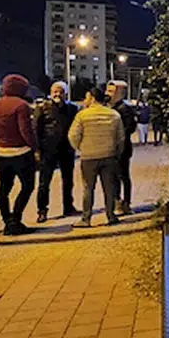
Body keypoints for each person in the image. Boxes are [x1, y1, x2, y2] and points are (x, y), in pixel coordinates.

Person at [0, 74, 39, 235]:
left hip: (2, 153)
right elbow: (25, 130)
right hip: (21, 152)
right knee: (27, 186)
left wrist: (0, 141)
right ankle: (16, 220)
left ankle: (7, 221)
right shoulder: (21, 105)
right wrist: (35, 147)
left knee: (4, 189)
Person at [68, 86, 126, 227]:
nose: (85, 100)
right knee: (109, 188)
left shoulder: (82, 115)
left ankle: (86, 218)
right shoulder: (114, 115)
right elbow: (121, 138)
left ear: (92, 98)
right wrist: (117, 151)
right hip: (109, 155)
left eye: (86, 97)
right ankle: (111, 216)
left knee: (88, 188)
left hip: (89, 157)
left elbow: (73, 135)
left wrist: (80, 148)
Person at [32, 81, 79, 223]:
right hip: (48, 150)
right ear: (50, 93)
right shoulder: (42, 108)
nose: (58, 94)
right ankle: (42, 210)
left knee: (68, 181)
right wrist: (37, 149)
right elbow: (35, 129)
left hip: (67, 149)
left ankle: (68, 207)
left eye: (61, 92)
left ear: (66, 93)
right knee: (44, 182)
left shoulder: (72, 108)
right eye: (55, 92)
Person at [105, 80, 138, 214]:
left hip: (122, 148)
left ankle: (126, 203)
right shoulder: (107, 108)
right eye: (107, 90)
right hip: (110, 148)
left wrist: (117, 135)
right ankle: (116, 200)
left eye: (111, 91)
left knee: (123, 175)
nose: (108, 94)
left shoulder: (125, 109)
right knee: (112, 177)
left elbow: (130, 127)